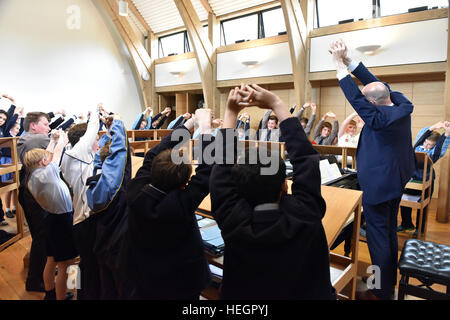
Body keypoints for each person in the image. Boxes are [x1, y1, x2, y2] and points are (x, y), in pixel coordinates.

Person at [209, 84, 335, 300]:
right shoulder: (306, 212)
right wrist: (277, 104)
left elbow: (221, 167)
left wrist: (230, 112)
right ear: (285, 186)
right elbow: (306, 159)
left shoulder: (231, 216)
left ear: (238, 189)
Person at [330, 39, 415, 300]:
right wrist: (349, 60)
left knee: (378, 238)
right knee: (388, 229)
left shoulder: (378, 119)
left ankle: (379, 287)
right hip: (397, 178)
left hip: (379, 184)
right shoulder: (400, 103)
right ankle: (388, 279)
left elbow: (357, 99)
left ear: (374, 105)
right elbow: (374, 85)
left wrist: (337, 66)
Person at [118, 109, 214, 299]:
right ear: (184, 182)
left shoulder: (136, 189)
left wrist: (191, 125)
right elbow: (207, 173)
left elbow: (154, 153)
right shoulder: (178, 205)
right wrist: (205, 127)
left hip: (143, 275)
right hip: (180, 283)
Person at [23, 130, 77, 300]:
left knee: (51, 259)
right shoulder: (47, 173)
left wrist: (52, 141)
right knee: (66, 264)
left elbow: (49, 155)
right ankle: (63, 296)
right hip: (62, 221)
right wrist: (61, 138)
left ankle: (50, 294)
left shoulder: (35, 175)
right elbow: (57, 153)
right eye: (46, 158)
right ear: (43, 162)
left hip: (51, 219)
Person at [86, 113, 131, 300]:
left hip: (101, 241)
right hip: (118, 245)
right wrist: (118, 123)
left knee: (107, 288)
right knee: (121, 289)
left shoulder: (95, 179)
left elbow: (100, 161)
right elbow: (120, 152)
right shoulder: (112, 185)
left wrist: (106, 134)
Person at [60, 108, 101, 300]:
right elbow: (93, 127)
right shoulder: (78, 154)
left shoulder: (73, 156)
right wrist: (96, 111)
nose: (97, 141)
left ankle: (75, 293)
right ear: (85, 141)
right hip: (84, 222)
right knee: (86, 265)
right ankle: (81, 295)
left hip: (78, 219)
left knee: (79, 262)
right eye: (95, 139)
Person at [17, 112, 51, 292]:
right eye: (45, 124)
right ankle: (35, 280)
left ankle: (42, 273)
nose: (48, 128)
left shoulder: (31, 139)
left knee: (43, 236)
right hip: (31, 194)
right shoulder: (31, 140)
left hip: (33, 192)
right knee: (41, 236)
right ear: (33, 126)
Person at [398, 121, 450, 234]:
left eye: (430, 145)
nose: (426, 145)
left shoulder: (433, 153)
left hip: (426, 179)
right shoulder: (418, 147)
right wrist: (434, 127)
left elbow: (438, 150)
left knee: (423, 206)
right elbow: (420, 139)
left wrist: (446, 134)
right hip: (412, 178)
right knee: (405, 201)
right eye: (426, 142)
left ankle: (420, 229)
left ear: (434, 146)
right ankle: (406, 224)